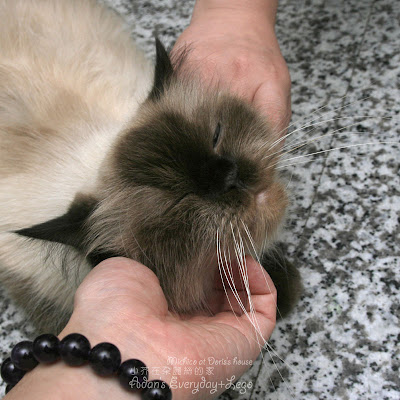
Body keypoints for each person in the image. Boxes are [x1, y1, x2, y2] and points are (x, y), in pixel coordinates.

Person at [5, 0, 290, 399]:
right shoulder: (31, 253)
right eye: (177, 205)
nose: (228, 175)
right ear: (109, 256)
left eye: (216, 137)